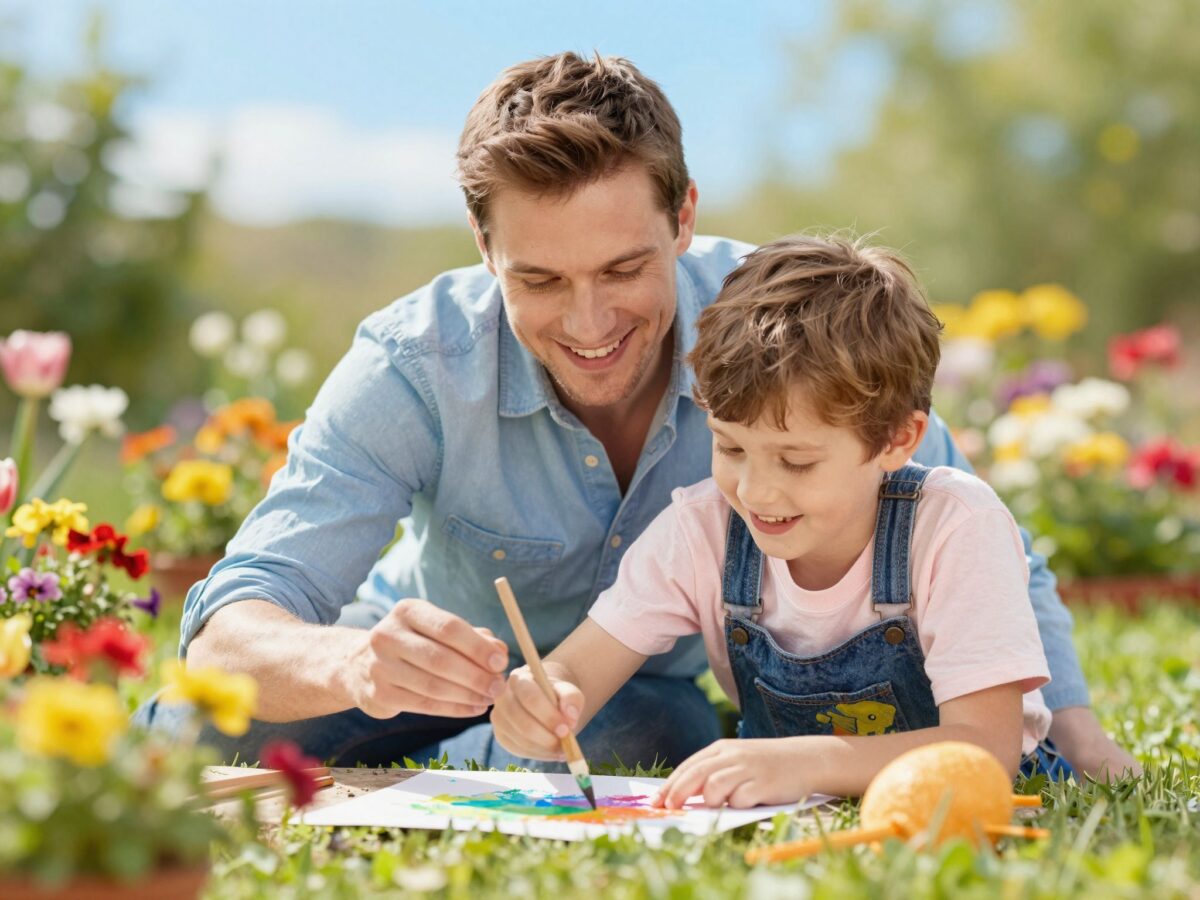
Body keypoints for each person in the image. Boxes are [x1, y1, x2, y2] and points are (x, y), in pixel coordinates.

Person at [139, 51, 1136, 780]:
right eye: (539, 277)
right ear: (483, 246)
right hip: (406, 673)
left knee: (639, 740)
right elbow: (229, 627)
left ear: (685, 215)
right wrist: (351, 662)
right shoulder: (415, 364)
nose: (589, 324)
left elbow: (965, 526)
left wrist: (1077, 721)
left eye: (625, 268)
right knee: (185, 740)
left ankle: (488, 759)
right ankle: (471, 745)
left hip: (629, 700)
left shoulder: (781, 336)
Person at [493, 234, 1063, 805]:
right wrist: (546, 698)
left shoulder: (955, 526)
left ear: (897, 439)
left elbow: (985, 749)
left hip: (969, 797)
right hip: (787, 800)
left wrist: (803, 764)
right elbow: (579, 667)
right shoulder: (701, 531)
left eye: (796, 461)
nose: (756, 491)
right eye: (731, 448)